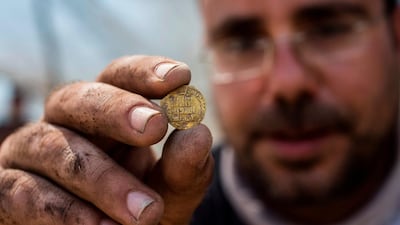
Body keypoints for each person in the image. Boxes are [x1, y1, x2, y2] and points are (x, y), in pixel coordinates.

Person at [0, 0, 399, 224]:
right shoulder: (163, 212)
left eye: (329, 30)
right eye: (241, 42)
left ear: (395, 32)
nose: (286, 85)